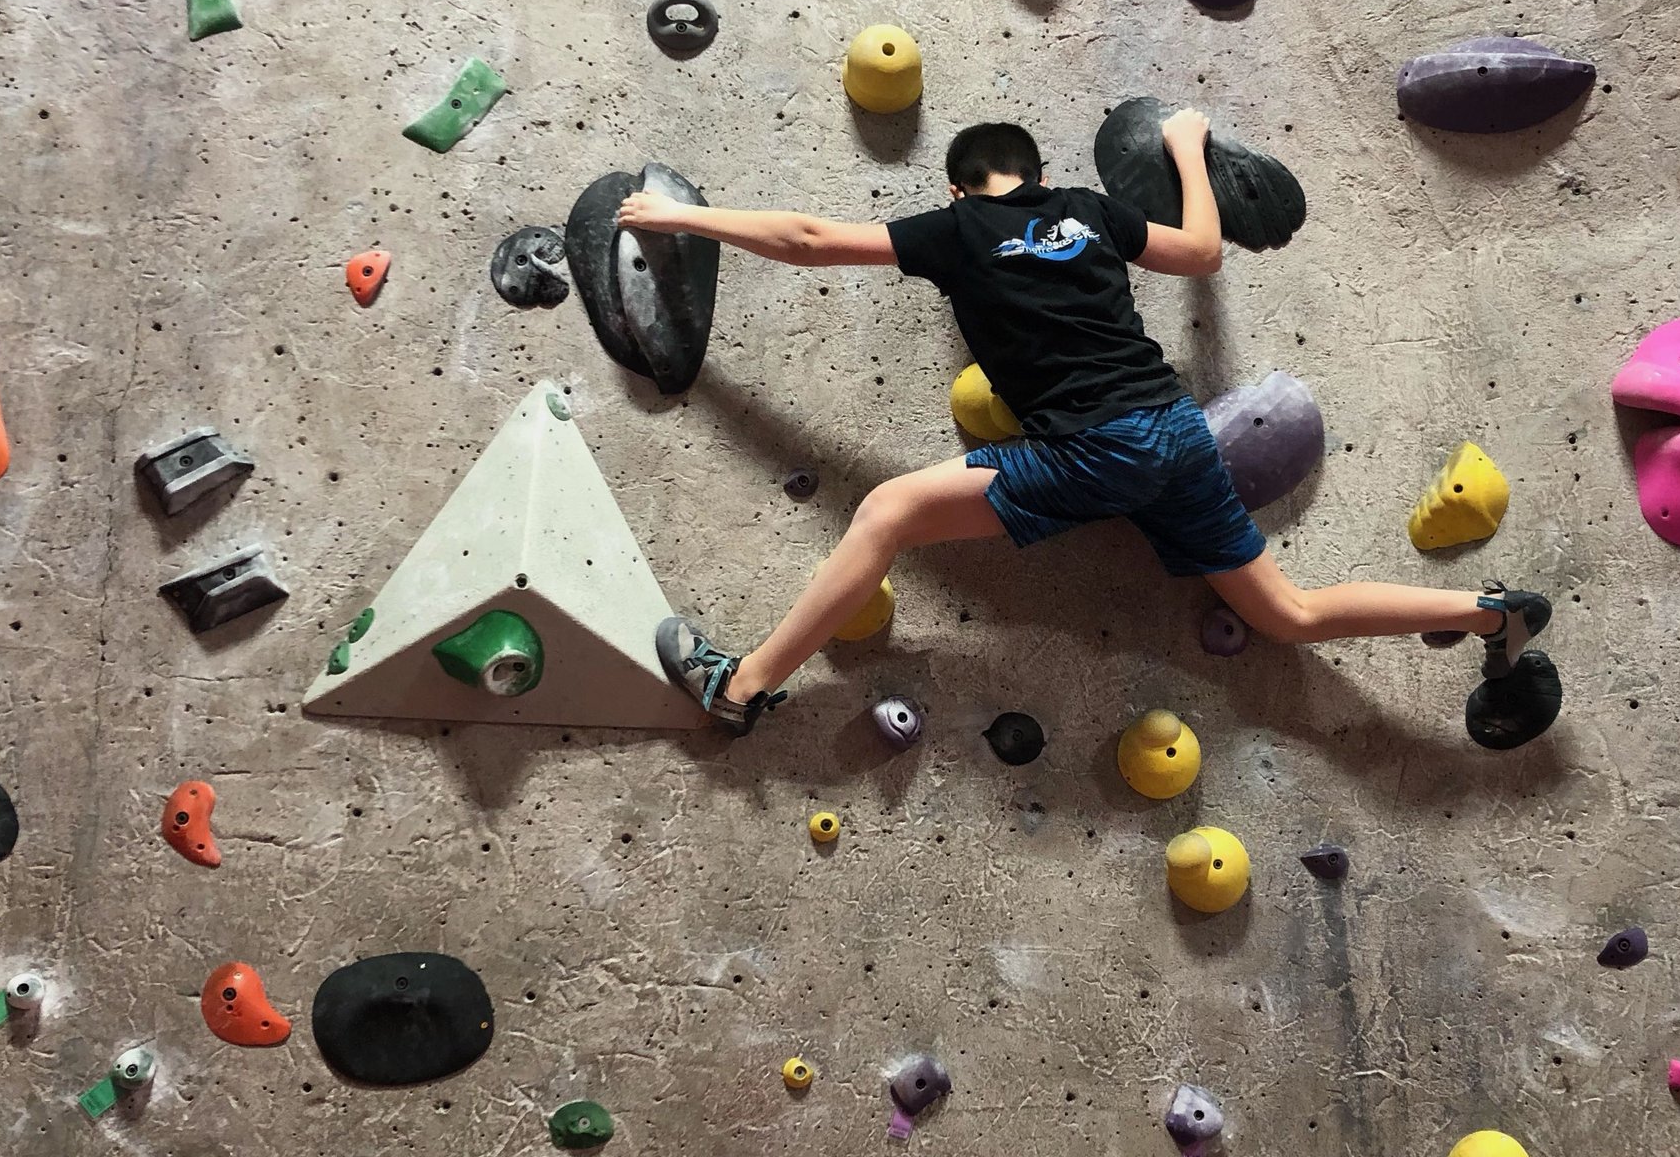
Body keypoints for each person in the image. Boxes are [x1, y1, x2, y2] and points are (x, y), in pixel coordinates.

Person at [614, 113, 1556, 741]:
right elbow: (1200, 252)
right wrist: (1186, 145)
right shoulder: (1088, 212)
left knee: (890, 512)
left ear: (957, 193)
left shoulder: (953, 232)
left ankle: (738, 688)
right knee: (1288, 614)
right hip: (1177, 434)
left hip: (1090, 449)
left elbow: (811, 240)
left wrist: (680, 219)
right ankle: (1485, 611)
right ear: (1041, 175)